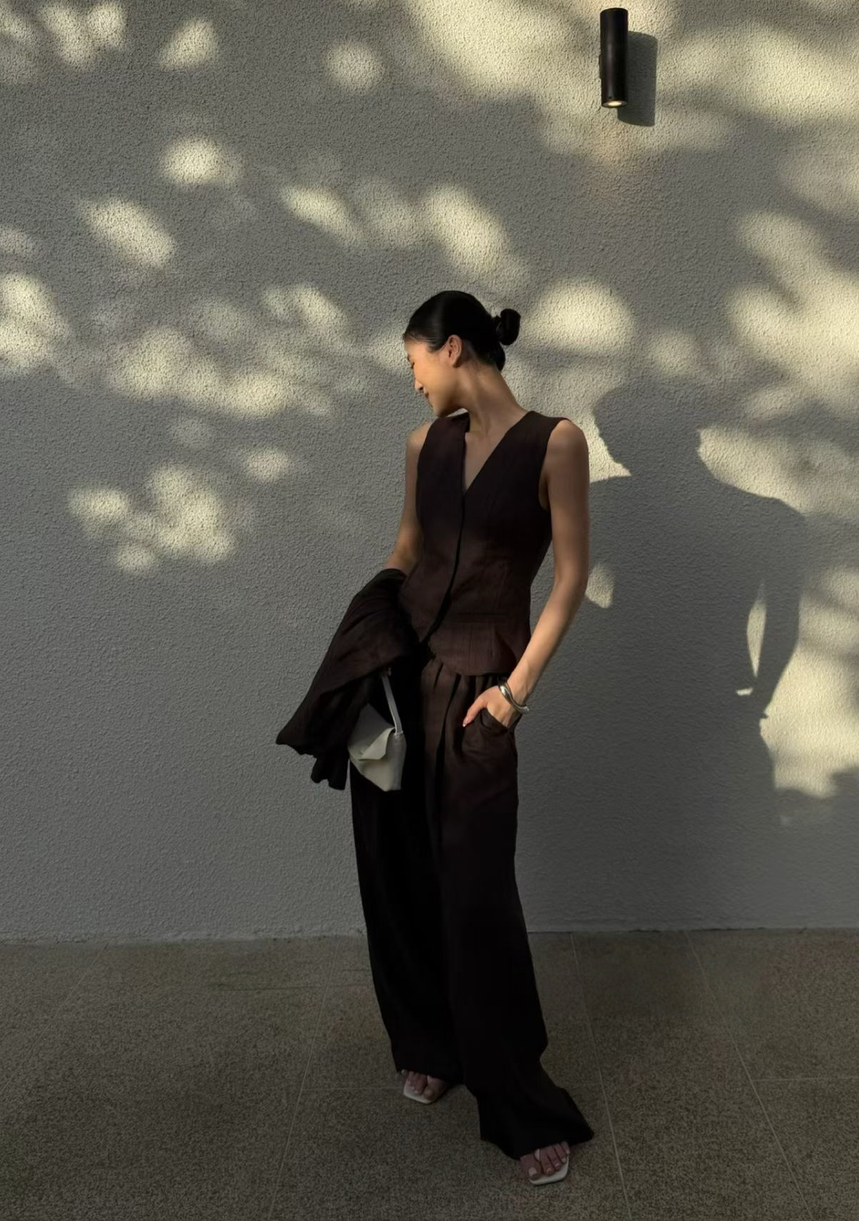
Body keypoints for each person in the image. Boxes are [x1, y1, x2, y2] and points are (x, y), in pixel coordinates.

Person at [348, 289, 594, 1186]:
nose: (412, 381)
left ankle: (516, 1096)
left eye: (413, 361)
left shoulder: (555, 443)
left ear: (452, 348)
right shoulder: (423, 447)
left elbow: (570, 577)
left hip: (480, 695)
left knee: (477, 894)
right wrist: (362, 632)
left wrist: (513, 695)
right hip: (396, 683)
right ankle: (430, 1043)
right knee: (396, 871)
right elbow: (406, 550)